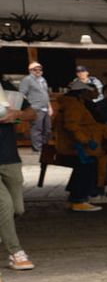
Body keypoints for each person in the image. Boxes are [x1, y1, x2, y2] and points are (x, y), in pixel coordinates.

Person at [50, 82, 107, 211]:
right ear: (81, 92)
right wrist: (85, 140)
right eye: (88, 91)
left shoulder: (72, 104)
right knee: (86, 170)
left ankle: (74, 199)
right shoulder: (73, 105)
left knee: (81, 170)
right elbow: (72, 125)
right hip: (78, 147)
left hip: (76, 145)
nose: (91, 94)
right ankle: (79, 200)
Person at [0, 97, 31, 268]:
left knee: (17, 208)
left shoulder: (7, 89)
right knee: (4, 205)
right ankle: (16, 252)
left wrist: (16, 114)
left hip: (10, 158)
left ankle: (3, 229)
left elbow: (32, 112)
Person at [20, 62, 51, 154]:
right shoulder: (27, 80)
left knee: (48, 129)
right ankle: (38, 149)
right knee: (37, 129)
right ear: (30, 71)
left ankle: (44, 147)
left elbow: (46, 94)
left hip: (45, 108)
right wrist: (29, 106)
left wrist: (50, 107)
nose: (38, 71)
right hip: (36, 108)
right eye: (35, 69)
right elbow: (22, 94)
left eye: (39, 69)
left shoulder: (43, 80)